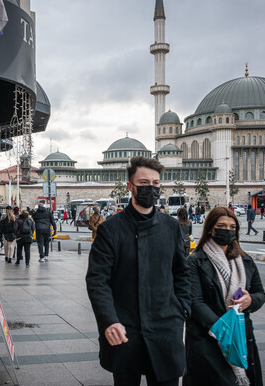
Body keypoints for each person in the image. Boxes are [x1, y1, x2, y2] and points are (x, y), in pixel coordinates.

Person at [86, 156, 190, 386]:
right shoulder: (110, 230)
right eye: (144, 183)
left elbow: (182, 272)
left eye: (155, 184)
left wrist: (182, 308)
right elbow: (97, 281)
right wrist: (109, 320)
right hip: (124, 328)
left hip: (165, 328)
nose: (150, 189)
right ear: (130, 186)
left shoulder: (171, 227)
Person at [184, 206, 265, 386]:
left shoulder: (245, 260)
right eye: (221, 226)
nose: (227, 230)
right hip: (208, 338)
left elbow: (260, 293)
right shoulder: (196, 260)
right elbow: (195, 301)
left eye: (232, 227)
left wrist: (250, 300)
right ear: (211, 229)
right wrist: (223, 329)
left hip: (241, 338)